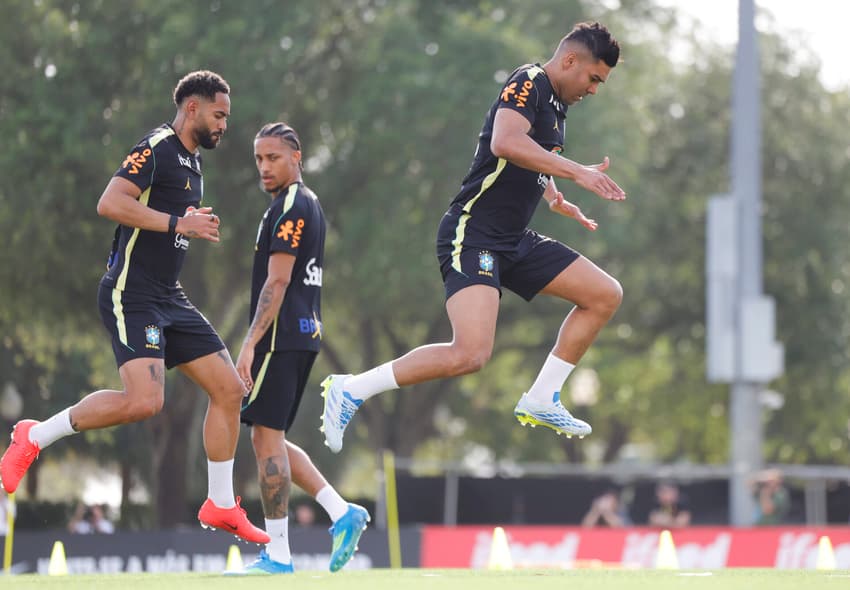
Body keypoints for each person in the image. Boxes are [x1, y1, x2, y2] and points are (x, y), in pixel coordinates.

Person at [320, 22, 624, 452]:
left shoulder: (557, 104)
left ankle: (541, 397)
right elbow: (504, 141)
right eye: (594, 78)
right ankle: (351, 389)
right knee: (470, 355)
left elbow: (535, 153)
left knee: (604, 294)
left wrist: (555, 195)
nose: (594, 89)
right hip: (473, 231)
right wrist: (579, 172)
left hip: (513, 239)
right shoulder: (530, 80)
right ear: (570, 60)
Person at [0, 71, 269, 545]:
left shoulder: (192, 160)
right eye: (219, 114)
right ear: (192, 108)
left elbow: (171, 223)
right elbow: (110, 202)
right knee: (145, 401)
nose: (224, 124)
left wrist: (187, 223)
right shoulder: (158, 146)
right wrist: (177, 223)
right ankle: (34, 437)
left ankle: (221, 504)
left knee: (229, 390)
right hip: (132, 293)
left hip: (170, 295)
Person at [229, 123, 369, 575]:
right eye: (258, 159)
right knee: (274, 438)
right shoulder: (301, 203)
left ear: (297, 157)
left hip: (281, 336)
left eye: (273, 157)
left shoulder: (292, 203)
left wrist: (249, 344)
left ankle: (279, 556)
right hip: (303, 333)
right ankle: (341, 511)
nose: (264, 167)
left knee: (262, 438)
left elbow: (279, 279)